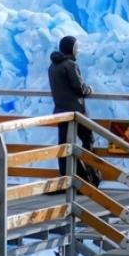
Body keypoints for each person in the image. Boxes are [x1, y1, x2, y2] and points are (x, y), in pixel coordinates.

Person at [48, 34, 98, 185]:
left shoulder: (52, 66)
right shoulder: (70, 65)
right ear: (71, 49)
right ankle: (90, 179)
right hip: (76, 112)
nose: (78, 50)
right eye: (76, 47)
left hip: (61, 112)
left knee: (65, 146)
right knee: (88, 140)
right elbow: (80, 88)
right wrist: (90, 89)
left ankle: (70, 180)